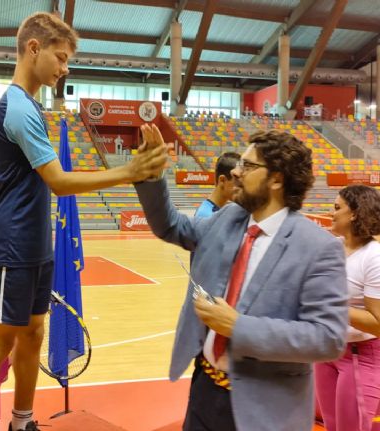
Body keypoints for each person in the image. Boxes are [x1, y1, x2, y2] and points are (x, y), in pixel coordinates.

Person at [0, 12, 166, 431]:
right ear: (33, 49)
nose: (65, 68)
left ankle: (22, 422)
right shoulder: (17, 108)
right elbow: (58, 181)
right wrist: (129, 172)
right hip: (12, 245)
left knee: (35, 333)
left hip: (36, 243)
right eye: (60, 57)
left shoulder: (31, 106)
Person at [135, 126, 348, 431]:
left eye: (247, 166)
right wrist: (153, 175)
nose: (235, 172)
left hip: (267, 409)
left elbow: (328, 338)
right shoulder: (227, 218)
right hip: (205, 394)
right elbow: (171, 226)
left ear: (277, 178)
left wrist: (238, 326)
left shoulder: (318, 247)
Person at [315, 185, 380, 431]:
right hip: (328, 350)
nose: (331, 214)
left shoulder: (374, 257)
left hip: (360, 355)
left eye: (337, 208)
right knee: (332, 426)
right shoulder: (332, 248)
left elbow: (378, 323)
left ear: (354, 213)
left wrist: (332, 304)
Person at [194, 152, 241, 218]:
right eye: (238, 183)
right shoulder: (206, 216)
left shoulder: (221, 210)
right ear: (222, 180)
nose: (241, 188)